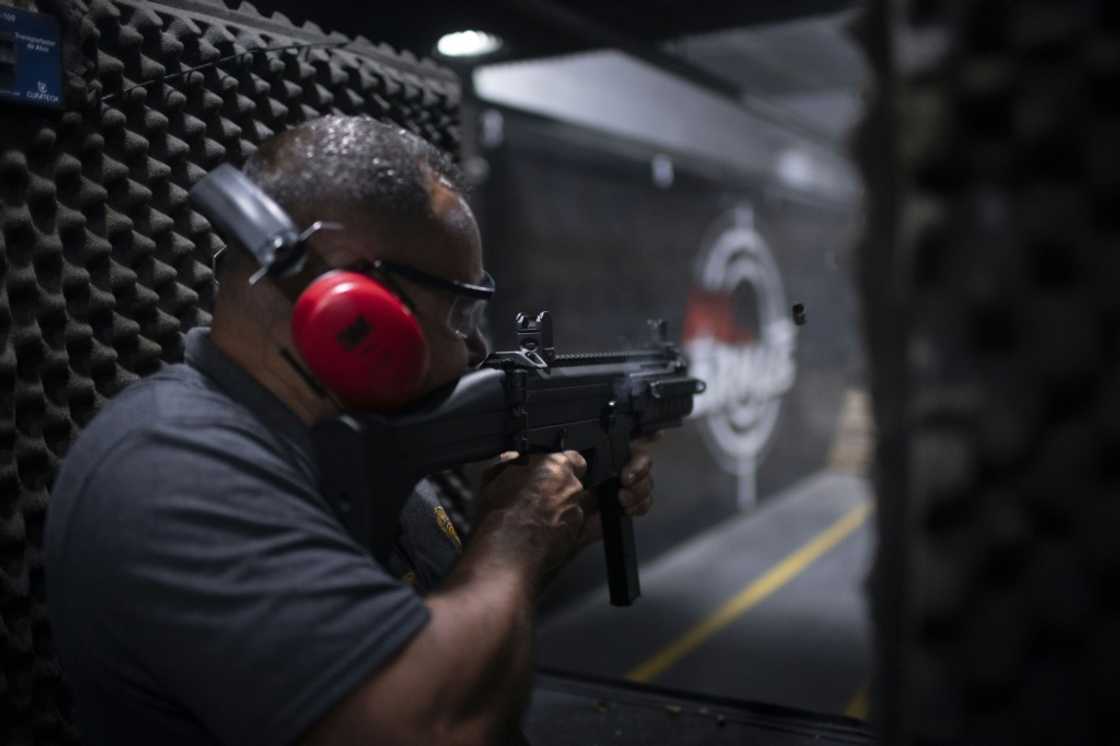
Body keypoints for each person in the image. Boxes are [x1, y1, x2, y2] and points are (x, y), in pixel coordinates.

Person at [44, 115, 656, 746]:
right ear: (353, 308)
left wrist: (552, 534)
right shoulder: (168, 467)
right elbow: (437, 727)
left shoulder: (343, 442)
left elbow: (428, 633)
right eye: (460, 310)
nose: (475, 348)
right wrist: (518, 529)